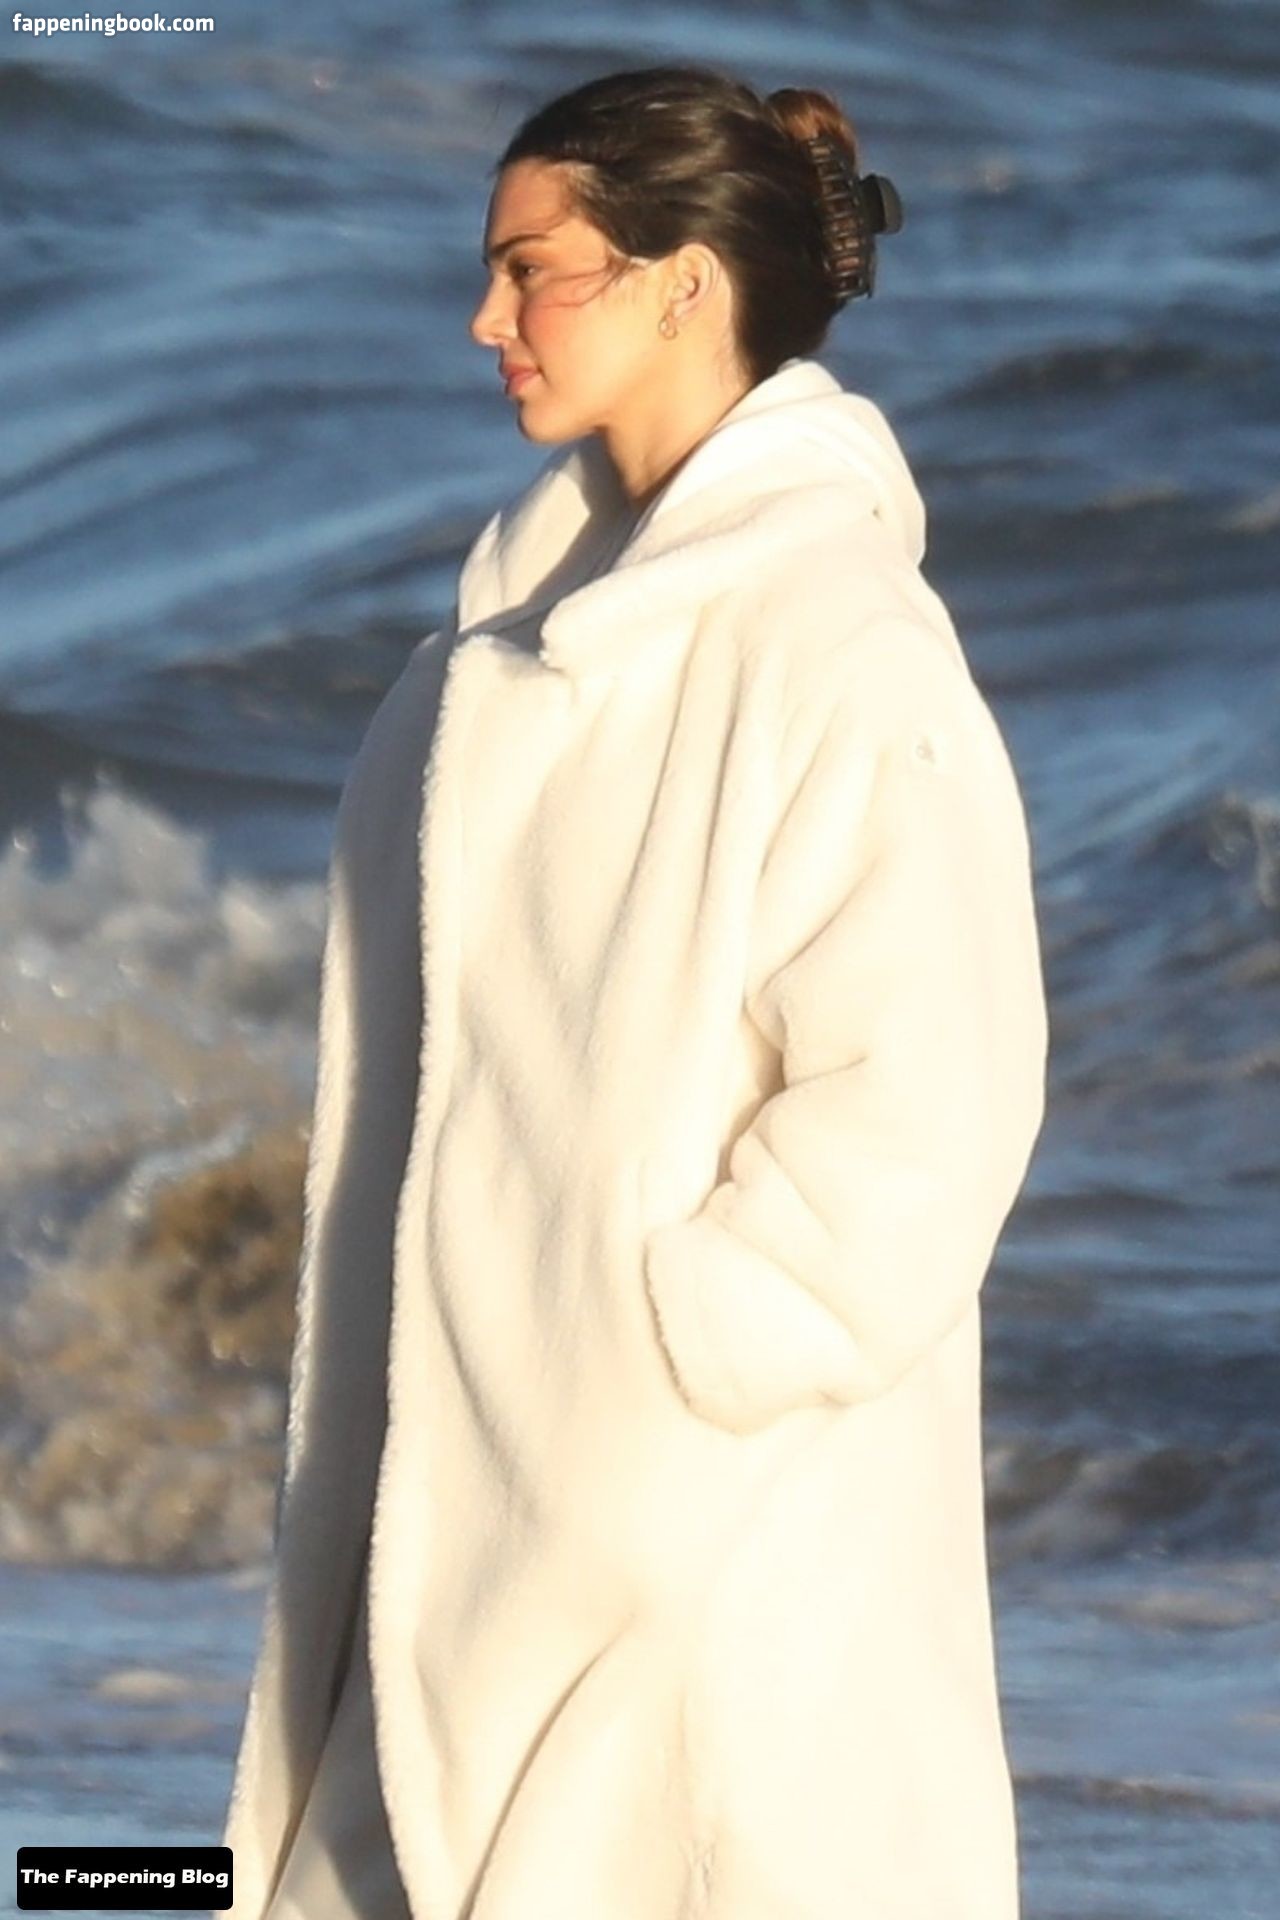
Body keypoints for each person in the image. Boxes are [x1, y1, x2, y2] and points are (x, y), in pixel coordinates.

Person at [219, 63, 1049, 1920]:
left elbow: (934, 1091)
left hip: (702, 1530)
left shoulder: (840, 637)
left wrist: (680, 1362)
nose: (485, 315)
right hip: (468, 1515)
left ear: (685, 282)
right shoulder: (493, 661)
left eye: (533, 268)